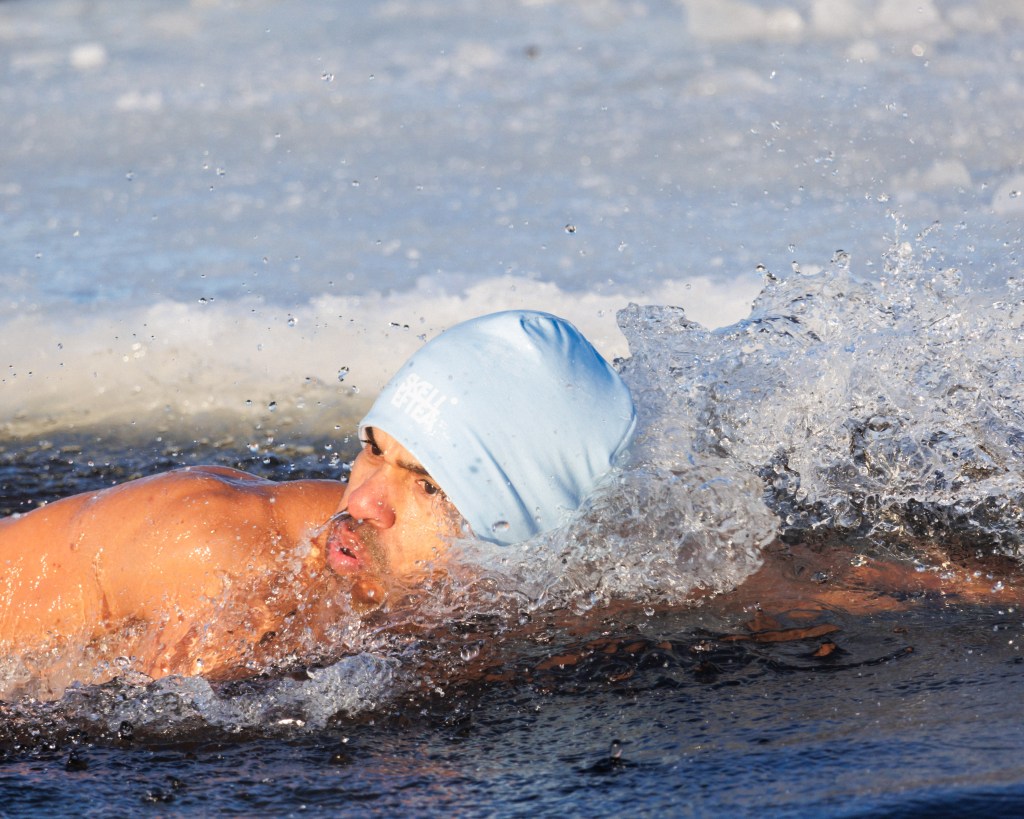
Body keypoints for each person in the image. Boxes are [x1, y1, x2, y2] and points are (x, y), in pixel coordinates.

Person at [0, 310, 637, 695]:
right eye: (371, 449)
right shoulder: (232, 572)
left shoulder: (592, 589)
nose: (361, 500)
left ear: (520, 523)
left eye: (424, 485)